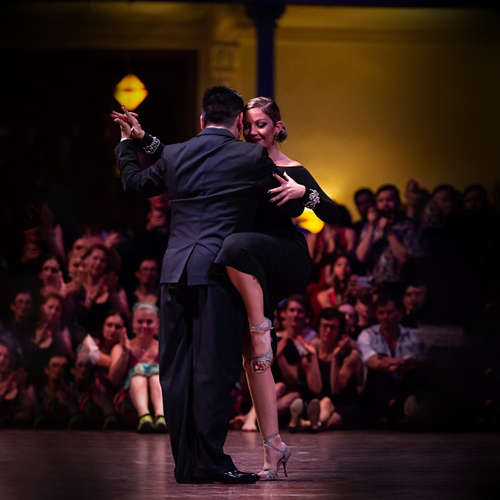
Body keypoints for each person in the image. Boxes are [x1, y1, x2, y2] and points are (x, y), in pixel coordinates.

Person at [112, 86, 301, 484]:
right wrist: (306, 196)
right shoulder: (252, 156)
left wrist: (130, 144)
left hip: (174, 272)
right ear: (238, 123)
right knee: (213, 371)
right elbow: (285, 201)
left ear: (201, 120)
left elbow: (133, 186)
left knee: (176, 372)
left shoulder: (175, 153)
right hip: (217, 274)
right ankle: (212, 462)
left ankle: (187, 464)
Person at [215, 97, 339, 479]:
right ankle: (273, 450)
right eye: (247, 126)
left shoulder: (291, 169)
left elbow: (336, 213)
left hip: (284, 256)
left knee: (257, 335)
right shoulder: (239, 167)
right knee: (253, 357)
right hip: (248, 267)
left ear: (277, 128)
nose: (254, 132)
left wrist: (306, 195)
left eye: (262, 125)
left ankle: (260, 326)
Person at [108, 303, 165, 433]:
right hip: (130, 404)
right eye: (140, 321)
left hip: (160, 400)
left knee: (156, 377)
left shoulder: (164, 348)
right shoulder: (120, 347)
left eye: (149, 322)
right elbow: (114, 380)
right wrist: (124, 352)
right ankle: (144, 416)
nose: (144, 326)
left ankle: (161, 416)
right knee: (138, 377)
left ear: (157, 324)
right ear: (133, 324)